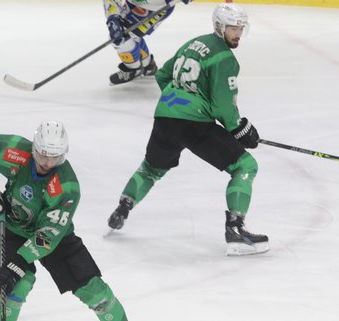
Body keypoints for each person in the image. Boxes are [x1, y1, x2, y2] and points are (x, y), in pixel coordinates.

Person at [0, 121, 160, 321]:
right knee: (16, 286)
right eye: (42, 155)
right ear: (34, 148)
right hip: (11, 231)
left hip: (54, 239)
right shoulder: (12, 150)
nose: (47, 163)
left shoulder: (67, 186)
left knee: (93, 289)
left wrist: (17, 263)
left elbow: (48, 236)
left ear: (64, 154)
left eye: (55, 157)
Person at [107, 3, 267, 256]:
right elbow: (222, 107)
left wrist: (178, 101)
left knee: (152, 168)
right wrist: (240, 129)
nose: (237, 34)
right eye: (233, 28)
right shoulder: (225, 58)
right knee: (245, 167)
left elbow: (163, 76)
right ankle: (235, 229)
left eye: (240, 28)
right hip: (193, 124)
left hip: (165, 116)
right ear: (219, 26)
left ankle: (123, 207)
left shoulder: (192, 44)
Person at [104, 0, 190, 85]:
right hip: (133, 2)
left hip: (155, 6)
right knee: (120, 33)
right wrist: (112, 17)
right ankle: (147, 65)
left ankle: (134, 69)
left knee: (122, 38)